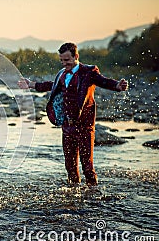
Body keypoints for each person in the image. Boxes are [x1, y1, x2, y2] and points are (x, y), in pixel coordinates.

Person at [18, 43, 128, 186]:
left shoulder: (89, 72)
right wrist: (32, 84)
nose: (64, 64)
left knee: (87, 166)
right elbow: (52, 85)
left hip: (85, 127)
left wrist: (117, 86)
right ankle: (73, 196)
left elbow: (103, 81)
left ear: (76, 56)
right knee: (70, 166)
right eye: (62, 61)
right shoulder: (61, 74)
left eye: (67, 60)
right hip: (67, 127)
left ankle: (93, 197)